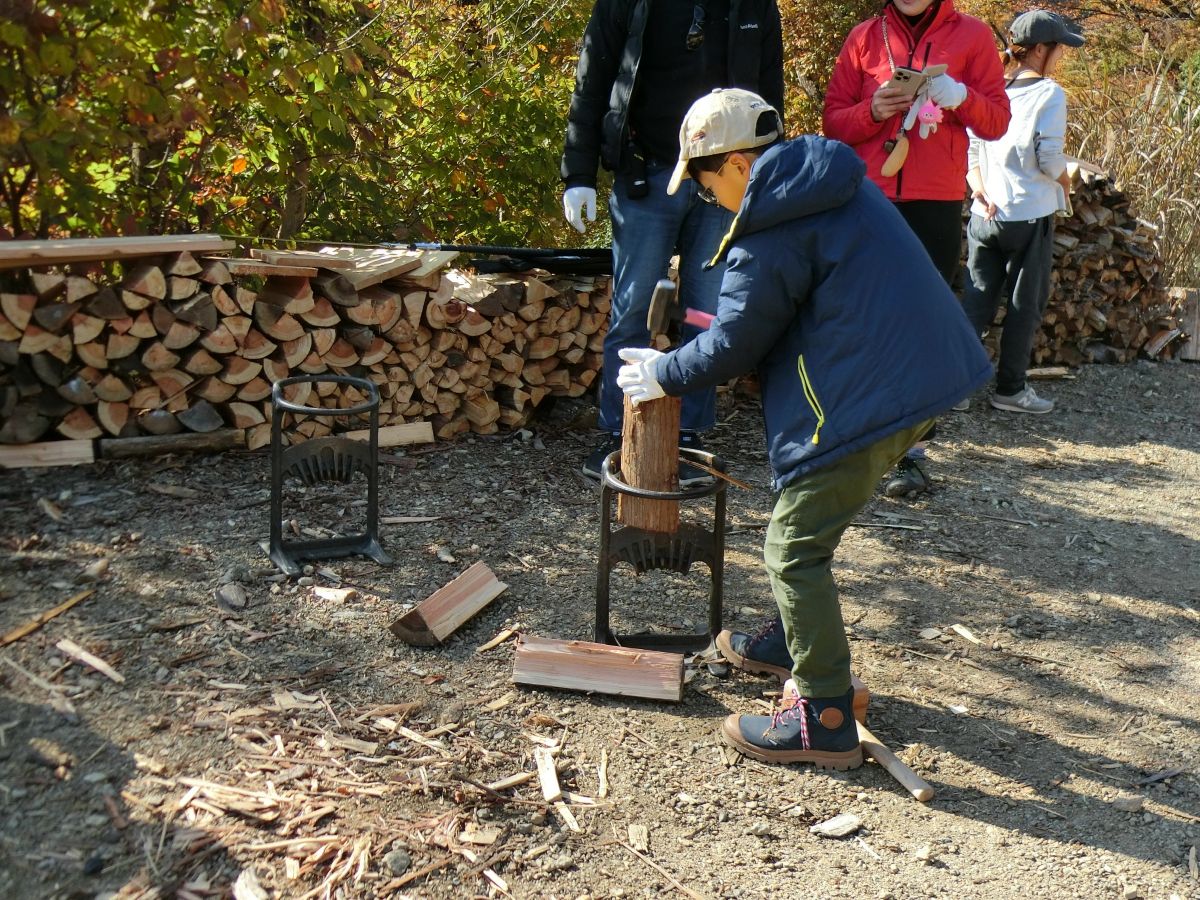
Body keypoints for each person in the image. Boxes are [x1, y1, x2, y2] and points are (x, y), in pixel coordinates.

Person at [616, 88, 991, 767]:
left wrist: (665, 375)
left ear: (733, 164)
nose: (710, 200)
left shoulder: (775, 217)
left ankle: (822, 715)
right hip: (917, 374)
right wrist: (681, 356)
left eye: (704, 186)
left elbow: (736, 342)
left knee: (793, 548)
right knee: (805, 523)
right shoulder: (823, 181)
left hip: (874, 392)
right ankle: (797, 639)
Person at [559, 0, 784, 484]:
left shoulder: (756, 5)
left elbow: (769, 98)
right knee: (634, 309)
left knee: (707, 312)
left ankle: (689, 437)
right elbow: (593, 78)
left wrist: (766, 178)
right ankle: (618, 434)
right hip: (647, 169)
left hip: (726, 174)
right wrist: (578, 172)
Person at [822, 0, 1010, 497]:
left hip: (935, 200)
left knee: (920, 322)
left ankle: (911, 452)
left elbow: (995, 121)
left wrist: (959, 95)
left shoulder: (971, 36)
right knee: (861, 316)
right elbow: (833, 122)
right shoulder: (864, 36)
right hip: (869, 196)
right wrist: (872, 111)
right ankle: (853, 440)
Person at [961, 11, 1085, 415]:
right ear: (1039, 50)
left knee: (976, 301)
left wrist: (979, 189)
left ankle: (955, 389)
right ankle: (1010, 390)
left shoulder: (988, 87)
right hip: (1028, 215)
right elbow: (1048, 158)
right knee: (1023, 304)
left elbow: (973, 151)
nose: (1061, 56)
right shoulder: (1049, 94)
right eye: (1059, 48)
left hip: (984, 213)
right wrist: (1066, 184)